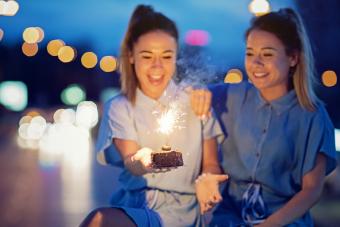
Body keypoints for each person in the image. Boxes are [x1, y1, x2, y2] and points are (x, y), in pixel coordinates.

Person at [80, 4, 225, 227]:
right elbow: (132, 161)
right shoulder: (120, 107)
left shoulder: (196, 100)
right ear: (130, 55)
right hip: (135, 203)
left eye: (166, 56)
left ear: (176, 56)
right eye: (147, 56)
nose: (157, 66)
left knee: (100, 221)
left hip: (180, 210)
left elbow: (211, 163)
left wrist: (209, 179)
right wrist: (143, 160)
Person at [194, 8, 337, 226]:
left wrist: (270, 225)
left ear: (293, 58)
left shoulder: (312, 117)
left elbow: (311, 190)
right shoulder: (230, 96)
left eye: (267, 54)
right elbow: (193, 93)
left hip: (283, 221)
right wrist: (196, 91)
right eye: (250, 53)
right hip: (227, 218)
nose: (255, 63)